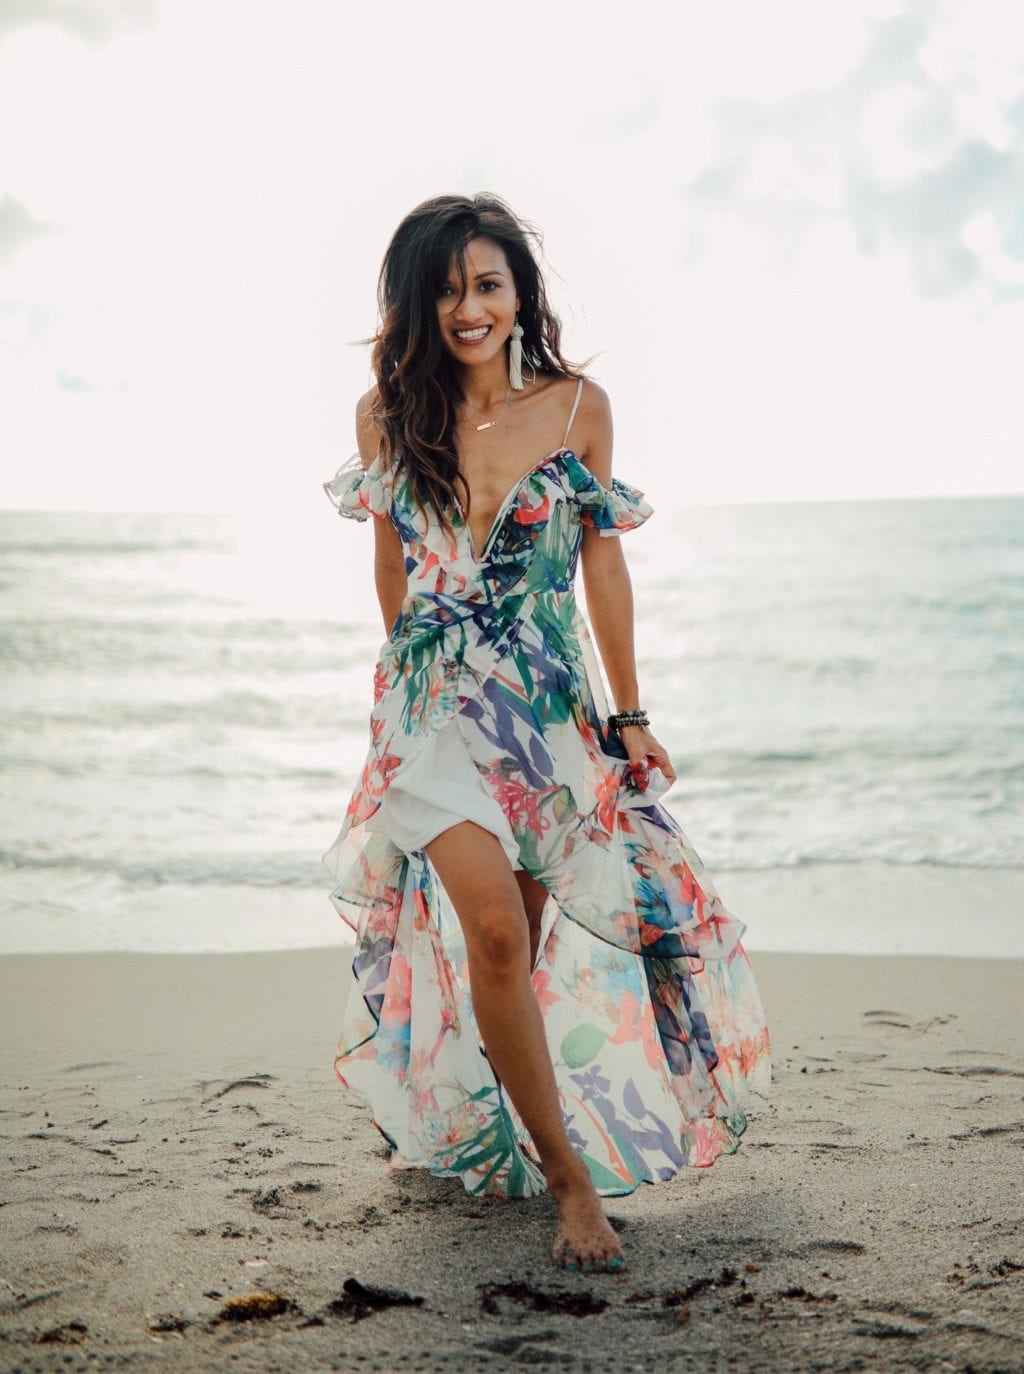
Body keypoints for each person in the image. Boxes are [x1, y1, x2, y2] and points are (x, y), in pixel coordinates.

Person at [322, 192, 771, 1273]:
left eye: (486, 283)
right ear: (413, 306)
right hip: (432, 719)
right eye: (443, 290)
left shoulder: (578, 410)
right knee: (489, 934)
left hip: (548, 719)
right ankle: (571, 1186)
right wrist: (415, 690)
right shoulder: (385, 418)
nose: (466, 307)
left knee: (516, 948)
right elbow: (391, 566)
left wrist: (630, 715)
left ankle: (493, 1128)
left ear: (519, 291)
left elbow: (604, 562)